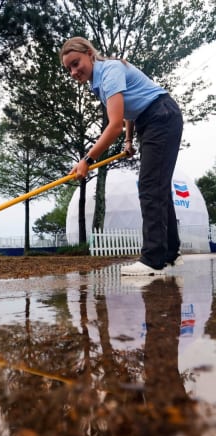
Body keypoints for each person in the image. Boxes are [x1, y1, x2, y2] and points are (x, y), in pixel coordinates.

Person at [60, 36, 184, 276]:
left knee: (150, 186)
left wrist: (87, 160)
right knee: (158, 186)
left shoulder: (110, 72)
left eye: (76, 63)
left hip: (161, 116)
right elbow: (127, 110)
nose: (74, 72)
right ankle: (170, 253)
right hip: (150, 120)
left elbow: (114, 125)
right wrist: (128, 140)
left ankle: (153, 260)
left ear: (89, 54)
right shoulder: (98, 81)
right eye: (69, 69)